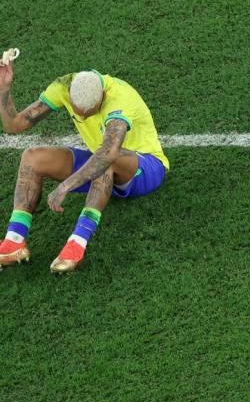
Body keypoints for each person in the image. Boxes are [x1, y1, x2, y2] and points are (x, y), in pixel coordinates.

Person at [0, 59, 169, 273]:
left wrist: (65, 186)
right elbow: (14, 126)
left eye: (87, 113)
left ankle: (77, 244)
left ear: (102, 99)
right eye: (76, 110)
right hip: (104, 163)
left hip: (145, 169)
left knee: (105, 159)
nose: (80, 116)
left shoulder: (120, 99)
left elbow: (108, 154)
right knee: (32, 157)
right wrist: (3, 89)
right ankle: (14, 239)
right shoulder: (64, 85)